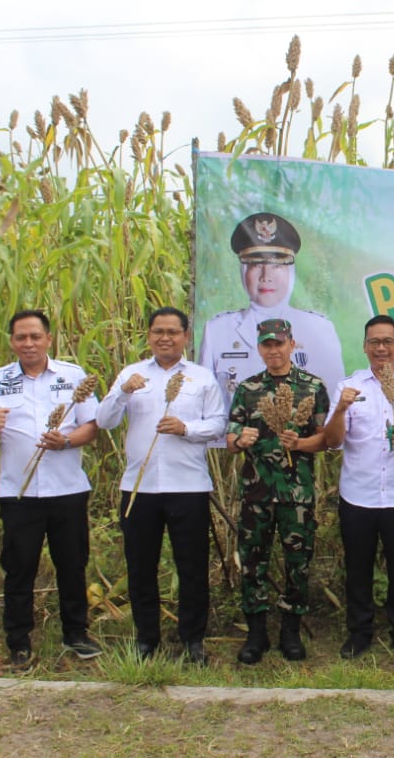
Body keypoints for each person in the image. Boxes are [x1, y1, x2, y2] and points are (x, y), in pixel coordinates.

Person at [96, 307, 228, 665]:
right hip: (140, 487)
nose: (165, 338)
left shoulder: (201, 378)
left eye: (172, 331)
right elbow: (105, 421)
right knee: (140, 566)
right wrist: (122, 392)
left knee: (192, 567)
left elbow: (218, 423)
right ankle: (146, 639)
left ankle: (192, 640)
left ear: (186, 336)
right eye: (158, 331)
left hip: (189, 487)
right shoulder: (132, 374)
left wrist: (186, 428)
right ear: (149, 335)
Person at [0, 309, 102, 668]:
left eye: (34, 336)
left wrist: (66, 440)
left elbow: (91, 428)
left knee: (72, 564)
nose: (27, 343)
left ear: (48, 339)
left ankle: (76, 633)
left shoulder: (73, 377)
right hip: (19, 493)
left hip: (67, 490)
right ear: (12, 341)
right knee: (19, 567)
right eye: (20, 338)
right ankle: (18, 641)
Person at [323, 315, 394, 659]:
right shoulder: (349, 387)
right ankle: (359, 633)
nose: (381, 348)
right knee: (358, 568)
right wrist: (341, 409)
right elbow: (332, 442)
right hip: (358, 495)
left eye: (388, 341)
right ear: (365, 347)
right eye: (374, 342)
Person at [226, 318, 330, 664]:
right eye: (267, 344)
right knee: (253, 563)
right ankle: (256, 632)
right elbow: (231, 436)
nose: (274, 350)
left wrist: (300, 442)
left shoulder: (312, 387)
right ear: (259, 348)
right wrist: (240, 440)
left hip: (296, 494)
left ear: (292, 345)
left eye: (280, 344)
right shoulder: (248, 388)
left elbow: (326, 439)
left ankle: (290, 630)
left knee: (297, 563)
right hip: (256, 493)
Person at [200, 211, 344, 407]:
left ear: (290, 271)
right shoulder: (217, 331)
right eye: (256, 265)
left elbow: (333, 408)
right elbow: (206, 408)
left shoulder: (319, 329)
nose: (266, 276)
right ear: (243, 270)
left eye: (276, 265)